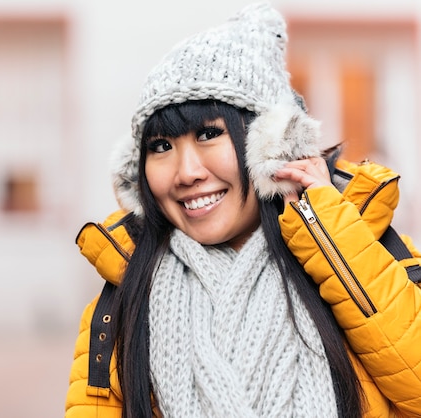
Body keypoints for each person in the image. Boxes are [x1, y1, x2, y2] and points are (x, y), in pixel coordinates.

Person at [65, 2, 421, 417]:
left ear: (272, 148)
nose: (186, 172)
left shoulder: (369, 256)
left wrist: (329, 234)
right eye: (160, 146)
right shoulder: (121, 300)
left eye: (209, 134)